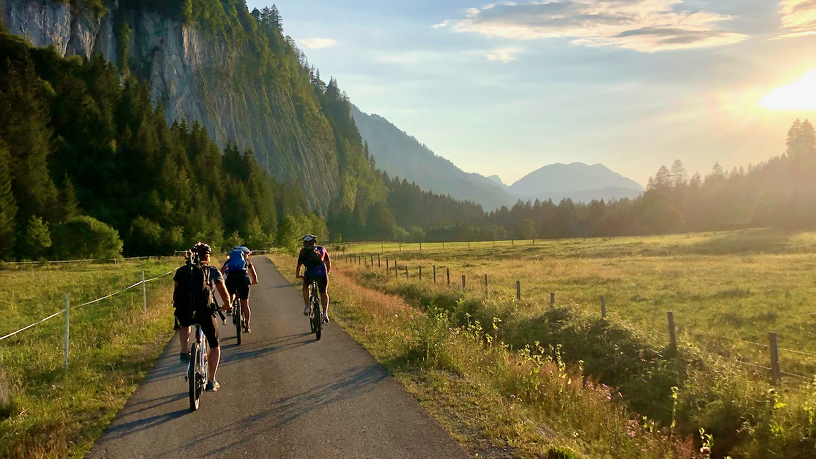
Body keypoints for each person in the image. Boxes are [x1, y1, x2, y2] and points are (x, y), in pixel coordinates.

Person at [173, 242, 231, 392]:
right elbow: (223, 292)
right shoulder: (212, 271)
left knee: (184, 323)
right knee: (214, 344)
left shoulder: (181, 271)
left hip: (185, 312)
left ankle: (184, 352)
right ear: (207, 256)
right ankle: (211, 381)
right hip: (205, 313)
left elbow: (176, 294)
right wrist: (227, 305)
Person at [220, 246, 258, 333]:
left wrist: (221, 281)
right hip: (243, 283)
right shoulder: (247, 262)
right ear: (244, 254)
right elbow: (254, 275)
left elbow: (221, 272)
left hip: (231, 282)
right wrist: (254, 281)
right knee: (245, 304)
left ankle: (229, 306)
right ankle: (247, 326)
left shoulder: (229, 261)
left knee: (231, 294)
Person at [295, 234, 331, 324]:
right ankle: (325, 313)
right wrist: (328, 272)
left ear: (305, 243)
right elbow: (328, 262)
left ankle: (307, 307)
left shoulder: (303, 252)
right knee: (323, 293)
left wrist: (298, 275)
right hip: (322, 274)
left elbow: (299, 266)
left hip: (309, 274)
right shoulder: (322, 249)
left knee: (305, 286)